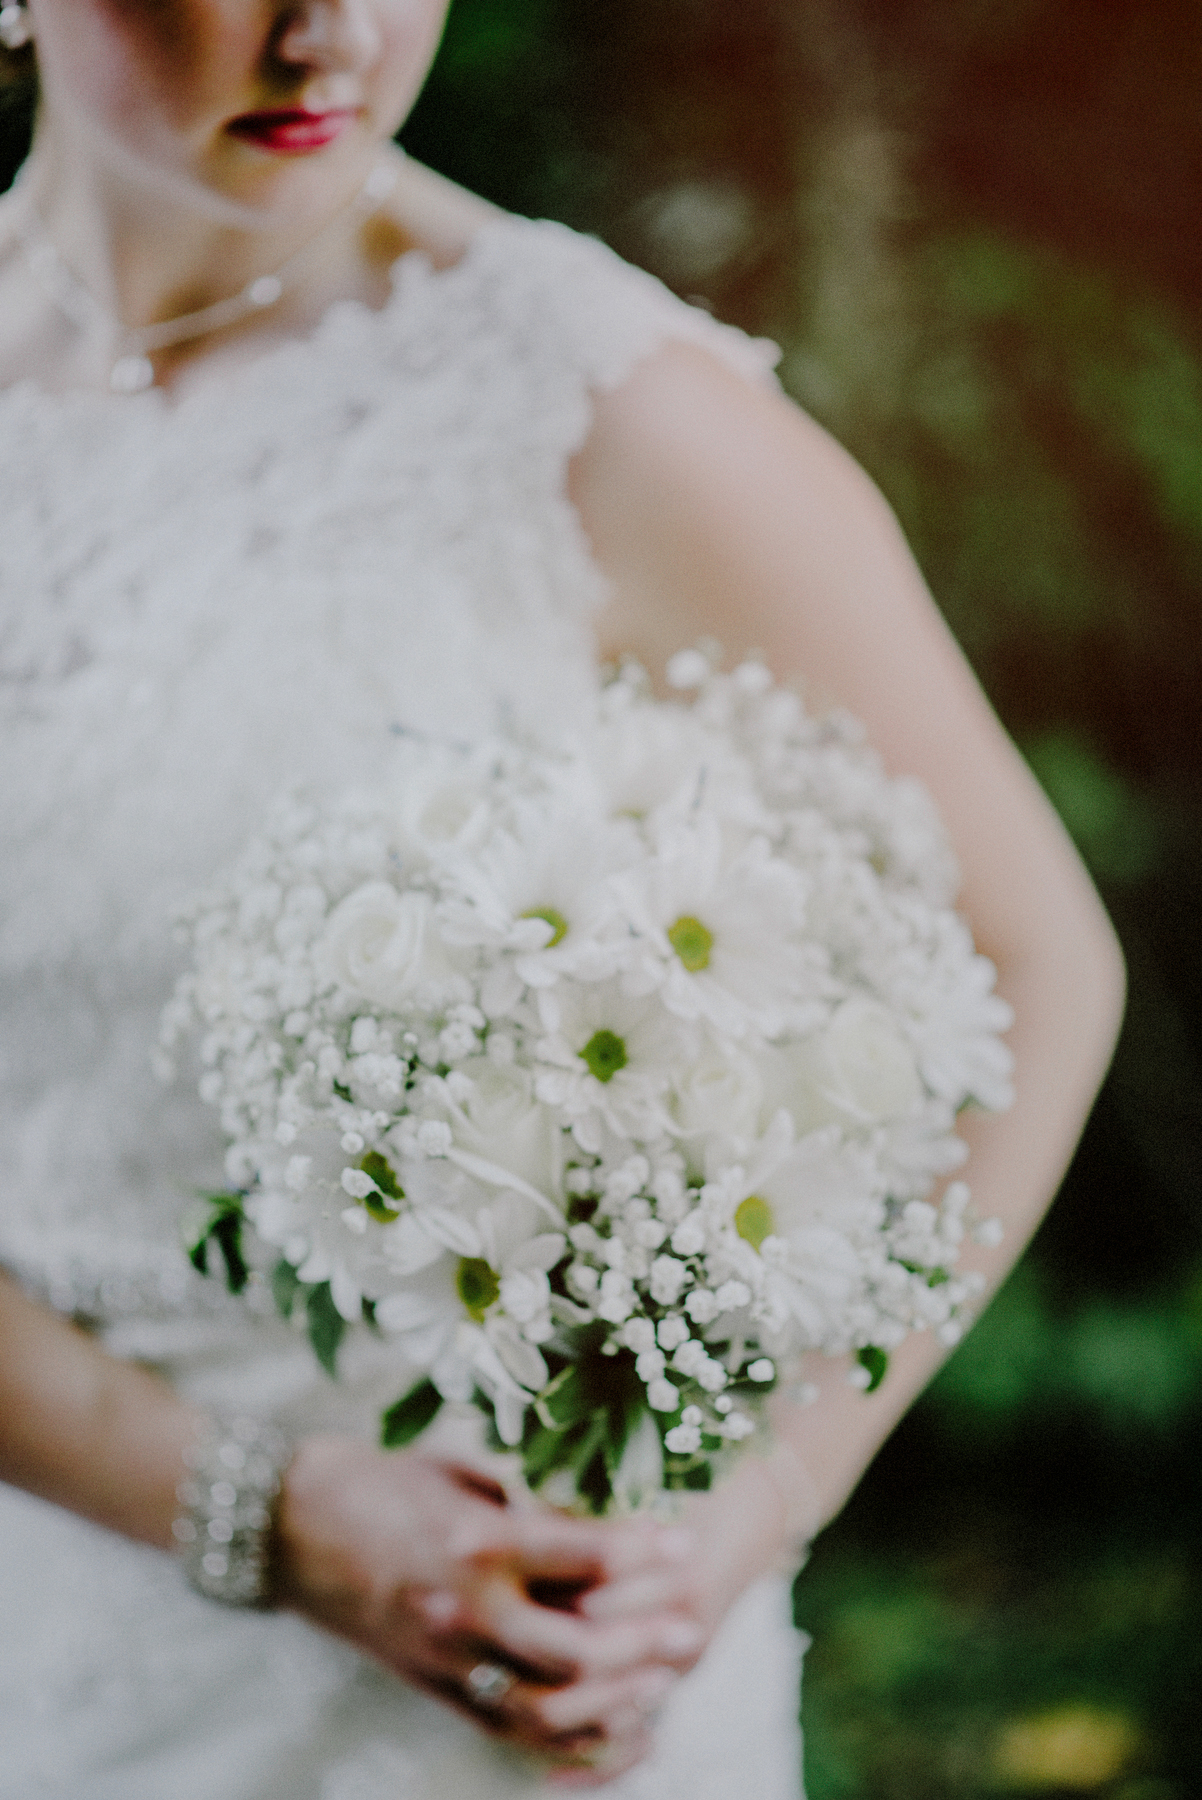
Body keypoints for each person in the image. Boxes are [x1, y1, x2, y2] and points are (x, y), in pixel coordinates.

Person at [0, 3, 1124, 1796]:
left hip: (512, 1670)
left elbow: (1036, 965)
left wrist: (747, 1508)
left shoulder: (597, 403)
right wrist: (261, 1514)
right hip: (53, 1630)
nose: (330, 32)